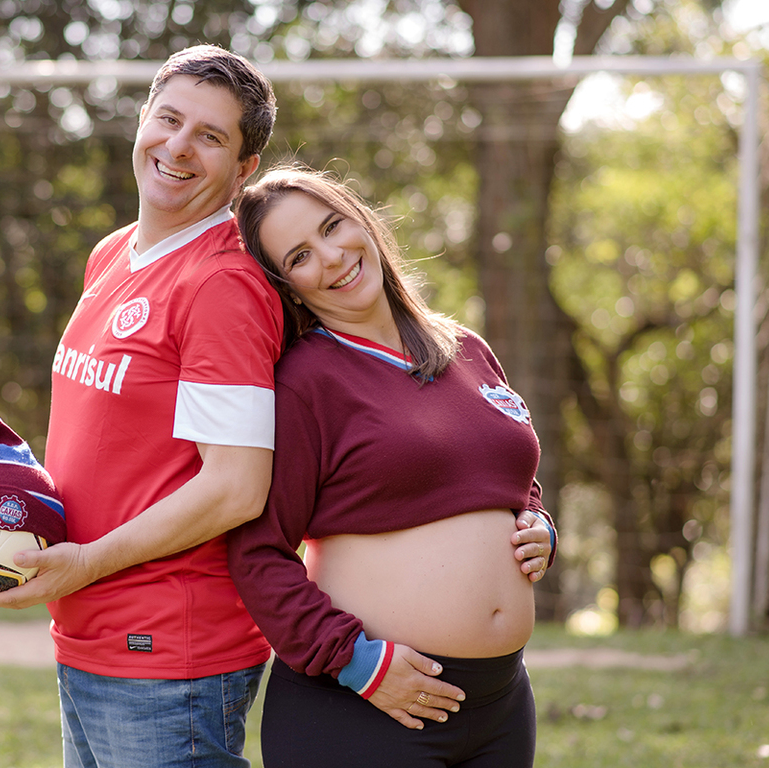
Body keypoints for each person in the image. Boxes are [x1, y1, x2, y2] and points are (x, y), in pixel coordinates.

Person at [0, 46, 282, 768]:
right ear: (142, 121)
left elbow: (236, 485)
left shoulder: (222, 284)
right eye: (169, 119)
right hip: (89, 637)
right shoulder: (113, 253)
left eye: (210, 136)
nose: (178, 146)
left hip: (167, 658)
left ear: (244, 172)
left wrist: (87, 563)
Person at [227, 166, 557, 768]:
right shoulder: (304, 382)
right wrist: (356, 663)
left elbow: (507, 476)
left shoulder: (468, 349)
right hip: (366, 709)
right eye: (300, 256)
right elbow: (256, 551)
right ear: (289, 287)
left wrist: (539, 526)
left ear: (362, 221)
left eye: (333, 226)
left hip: (501, 704)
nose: (332, 256)